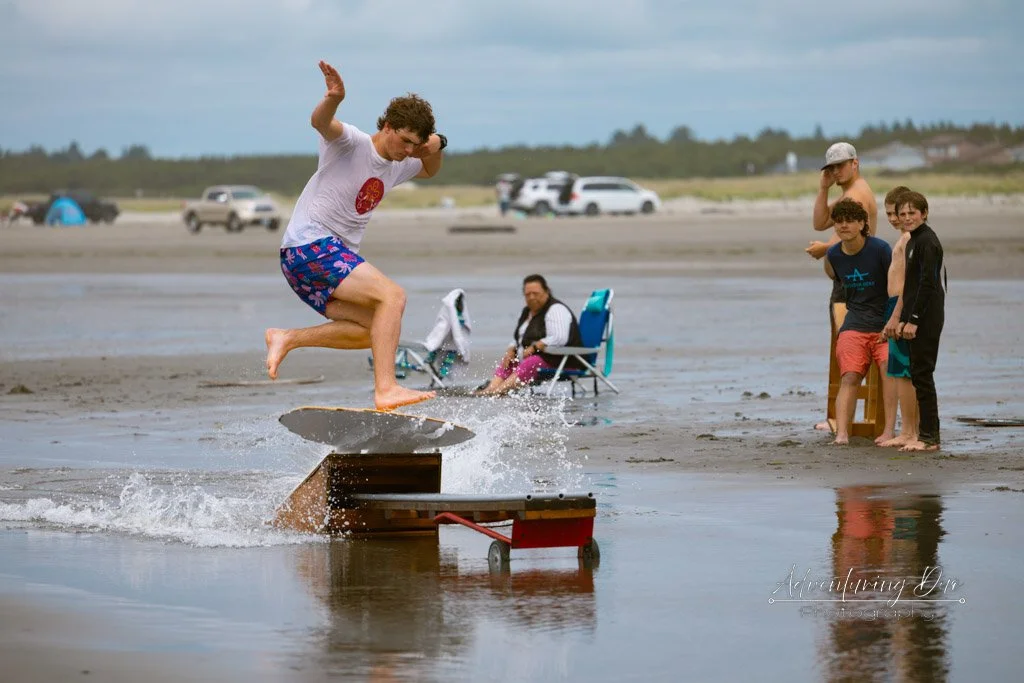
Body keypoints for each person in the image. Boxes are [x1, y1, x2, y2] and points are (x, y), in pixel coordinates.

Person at [265, 60, 448, 411]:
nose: (408, 151)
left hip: (307, 262)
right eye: (405, 141)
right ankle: (387, 388)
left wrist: (435, 145)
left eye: (414, 145)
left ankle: (287, 337)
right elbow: (320, 122)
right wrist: (335, 98)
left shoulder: (397, 164)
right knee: (392, 297)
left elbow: (428, 169)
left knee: (375, 329)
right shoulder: (352, 143)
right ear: (389, 127)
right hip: (311, 245)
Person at [810, 142, 878, 432]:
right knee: (842, 348)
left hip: (856, 278)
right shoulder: (846, 193)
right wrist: (824, 188)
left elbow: (856, 234)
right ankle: (838, 415)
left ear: (855, 163)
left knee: (848, 349)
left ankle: (842, 417)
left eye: (840, 165)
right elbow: (820, 222)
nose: (836, 171)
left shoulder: (858, 193)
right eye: (831, 167)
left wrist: (825, 248)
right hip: (848, 275)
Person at [822, 198, 893, 445]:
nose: (844, 226)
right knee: (850, 376)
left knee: (889, 372)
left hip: (886, 324)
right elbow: (836, 279)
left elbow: (895, 288)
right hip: (855, 323)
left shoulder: (881, 249)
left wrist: (892, 323)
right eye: (839, 222)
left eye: (850, 221)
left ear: (862, 223)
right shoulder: (833, 254)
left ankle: (888, 431)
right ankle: (842, 434)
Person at [895, 191, 945, 453]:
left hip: (928, 316)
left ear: (924, 213)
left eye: (912, 213)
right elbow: (911, 286)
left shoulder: (928, 241)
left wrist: (913, 319)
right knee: (918, 374)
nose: (907, 218)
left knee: (923, 375)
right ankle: (927, 434)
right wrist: (903, 320)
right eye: (902, 214)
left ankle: (929, 438)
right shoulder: (913, 240)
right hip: (916, 315)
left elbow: (929, 284)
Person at [477, 274, 583, 396]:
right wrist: (511, 349)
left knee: (531, 362)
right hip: (533, 358)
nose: (532, 297)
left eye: (536, 293)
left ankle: (499, 391)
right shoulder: (527, 312)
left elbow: (560, 338)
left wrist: (536, 347)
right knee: (509, 361)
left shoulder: (556, 309)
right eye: (528, 294)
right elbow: (519, 337)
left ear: (546, 291)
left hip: (562, 361)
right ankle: (490, 390)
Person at [877, 185, 919, 448]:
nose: (893, 219)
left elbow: (909, 284)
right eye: (889, 214)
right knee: (900, 371)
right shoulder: (904, 239)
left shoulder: (909, 240)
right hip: (894, 304)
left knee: (905, 371)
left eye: (897, 213)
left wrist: (896, 316)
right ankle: (911, 430)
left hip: (900, 306)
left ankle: (910, 431)